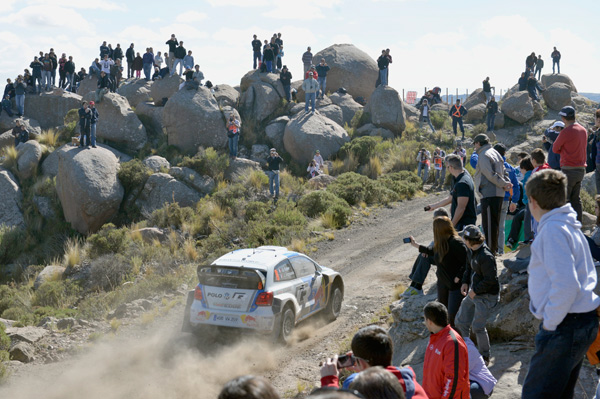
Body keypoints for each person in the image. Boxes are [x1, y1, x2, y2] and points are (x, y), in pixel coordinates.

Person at [521, 169, 600, 398]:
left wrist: (550, 323)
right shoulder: (568, 226)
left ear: (532, 201)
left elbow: (566, 284)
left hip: (564, 325)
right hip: (580, 322)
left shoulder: (553, 230)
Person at [319, 325, 428, 398]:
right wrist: (365, 369)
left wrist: (329, 382)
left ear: (360, 362)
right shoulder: (412, 384)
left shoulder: (354, 386)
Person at [410, 216, 469, 326]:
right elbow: (430, 251)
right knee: (442, 313)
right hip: (443, 283)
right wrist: (415, 244)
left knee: (452, 315)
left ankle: (458, 340)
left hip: (455, 286)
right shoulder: (441, 242)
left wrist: (459, 276)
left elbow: (467, 262)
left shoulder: (456, 242)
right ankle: (446, 339)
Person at [455, 225, 499, 364]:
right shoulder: (471, 250)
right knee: (460, 321)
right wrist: (465, 282)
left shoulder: (486, 257)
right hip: (475, 291)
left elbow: (491, 280)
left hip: (486, 296)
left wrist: (475, 291)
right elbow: (469, 267)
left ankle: (485, 357)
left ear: (469, 240)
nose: (461, 238)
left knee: (478, 327)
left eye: (464, 237)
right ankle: (467, 350)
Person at [422, 301, 470, 399]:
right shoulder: (435, 338)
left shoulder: (452, 343)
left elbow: (453, 381)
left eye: (424, 319)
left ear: (429, 321)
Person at [473, 133, 511, 255]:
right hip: (498, 194)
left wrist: (503, 184)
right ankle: (493, 251)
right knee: (494, 225)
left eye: (475, 144)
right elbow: (504, 171)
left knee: (489, 226)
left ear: (478, 143)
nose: (474, 147)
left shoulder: (484, 154)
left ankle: (490, 253)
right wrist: (506, 183)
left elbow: (489, 174)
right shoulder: (496, 153)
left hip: (489, 193)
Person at [402, 207, 451, 297]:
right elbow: (434, 243)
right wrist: (427, 249)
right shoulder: (441, 227)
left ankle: (417, 287)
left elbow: (442, 245)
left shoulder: (448, 228)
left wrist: (425, 249)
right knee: (423, 255)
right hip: (441, 254)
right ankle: (414, 286)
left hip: (447, 258)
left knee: (425, 256)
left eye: (434, 218)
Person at [425, 154, 477, 230]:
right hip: (461, 223)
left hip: (464, 224)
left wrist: (451, 225)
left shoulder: (462, 183)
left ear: (451, 167)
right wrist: (433, 206)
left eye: (447, 167)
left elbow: (461, 208)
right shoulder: (459, 178)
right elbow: (450, 198)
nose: (447, 169)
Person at [553, 105, 587, 222]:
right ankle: (578, 225)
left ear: (563, 118)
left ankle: (566, 225)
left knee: (565, 199)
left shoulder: (566, 132)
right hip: (581, 169)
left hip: (568, 169)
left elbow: (554, 148)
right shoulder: (583, 130)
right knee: (576, 200)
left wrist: (563, 150)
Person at [492, 144, 520, 254]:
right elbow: (516, 186)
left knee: (490, 225)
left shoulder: (493, 165)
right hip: (505, 200)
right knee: (501, 226)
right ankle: (500, 250)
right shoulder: (510, 167)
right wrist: (514, 201)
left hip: (494, 198)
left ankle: (490, 248)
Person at [506, 157, 535, 248]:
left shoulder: (526, 178)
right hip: (528, 204)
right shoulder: (533, 174)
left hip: (527, 205)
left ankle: (511, 240)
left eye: (521, 168)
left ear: (524, 168)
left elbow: (526, 196)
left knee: (518, 217)